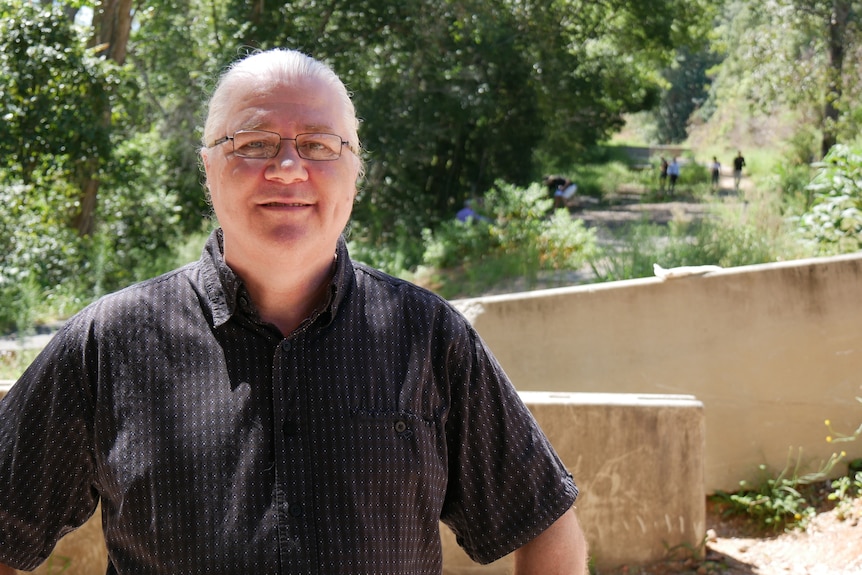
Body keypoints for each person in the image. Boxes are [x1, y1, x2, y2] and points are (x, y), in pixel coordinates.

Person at [0, 49, 587, 574]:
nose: (287, 168)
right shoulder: (110, 342)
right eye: (253, 143)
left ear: (354, 170)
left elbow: (541, 519)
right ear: (208, 167)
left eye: (319, 145)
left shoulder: (428, 336)